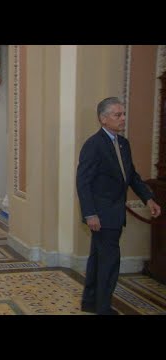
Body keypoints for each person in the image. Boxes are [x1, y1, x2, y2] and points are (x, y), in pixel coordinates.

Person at [76, 96, 161, 315]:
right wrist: (90, 214)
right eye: (118, 115)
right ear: (103, 119)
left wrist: (148, 198)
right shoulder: (93, 145)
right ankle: (103, 309)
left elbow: (130, 175)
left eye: (123, 114)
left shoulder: (123, 143)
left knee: (98, 258)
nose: (123, 118)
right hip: (102, 214)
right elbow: (83, 182)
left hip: (114, 212)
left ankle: (90, 303)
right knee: (109, 263)